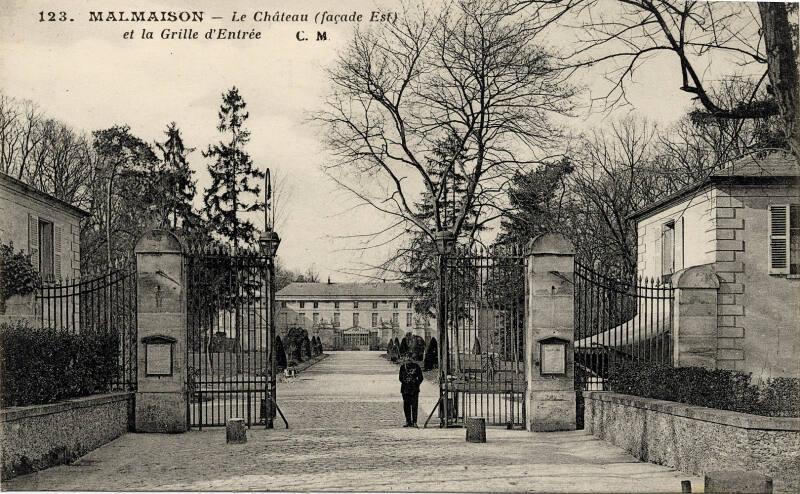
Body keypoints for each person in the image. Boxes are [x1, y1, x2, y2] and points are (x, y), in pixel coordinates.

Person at [399, 355, 424, 427]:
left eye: (410, 358)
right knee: (406, 406)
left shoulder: (416, 366)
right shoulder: (403, 367)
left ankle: (414, 422)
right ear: (405, 359)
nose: (408, 359)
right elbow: (400, 378)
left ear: (412, 359)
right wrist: (405, 381)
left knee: (414, 406)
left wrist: (416, 383)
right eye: (407, 358)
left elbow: (421, 377)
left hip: (414, 389)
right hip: (405, 389)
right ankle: (408, 421)